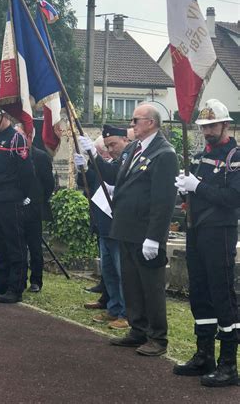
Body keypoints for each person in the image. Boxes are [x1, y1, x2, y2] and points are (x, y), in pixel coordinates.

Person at [79, 103, 179, 356]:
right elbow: (114, 177)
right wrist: (93, 157)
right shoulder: (135, 148)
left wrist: (155, 238)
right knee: (132, 284)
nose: (132, 124)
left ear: (151, 123)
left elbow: (163, 200)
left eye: (136, 120)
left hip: (146, 232)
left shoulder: (164, 153)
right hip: (125, 228)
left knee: (151, 287)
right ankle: (137, 329)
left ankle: (157, 337)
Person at [173, 99, 240, 388]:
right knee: (199, 292)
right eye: (203, 126)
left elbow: (232, 198)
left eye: (212, 125)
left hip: (220, 231)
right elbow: (193, 194)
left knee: (221, 293)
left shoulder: (235, 157)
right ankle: (204, 354)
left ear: (226, 125)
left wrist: (198, 186)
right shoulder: (200, 155)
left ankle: (228, 362)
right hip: (197, 230)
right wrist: (184, 191)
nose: (207, 130)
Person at [0, 98, 34, 304]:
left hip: (11, 198)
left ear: (4, 116)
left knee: (15, 243)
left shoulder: (16, 139)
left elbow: (26, 171)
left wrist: (23, 195)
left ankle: (16, 286)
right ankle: (0, 282)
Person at [75, 125, 131, 330]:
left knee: (121, 272)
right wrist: (83, 168)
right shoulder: (112, 161)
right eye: (107, 146)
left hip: (118, 225)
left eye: (113, 144)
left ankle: (126, 312)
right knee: (109, 272)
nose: (110, 149)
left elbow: (112, 176)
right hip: (104, 226)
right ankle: (113, 307)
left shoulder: (126, 162)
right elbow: (90, 183)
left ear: (126, 140)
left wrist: (94, 156)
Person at [23, 137, 55, 293]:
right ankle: (19, 278)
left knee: (35, 247)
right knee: (18, 246)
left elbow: (49, 183)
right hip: (17, 206)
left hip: (34, 209)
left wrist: (38, 198)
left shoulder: (41, 156)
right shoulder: (14, 154)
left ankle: (36, 281)